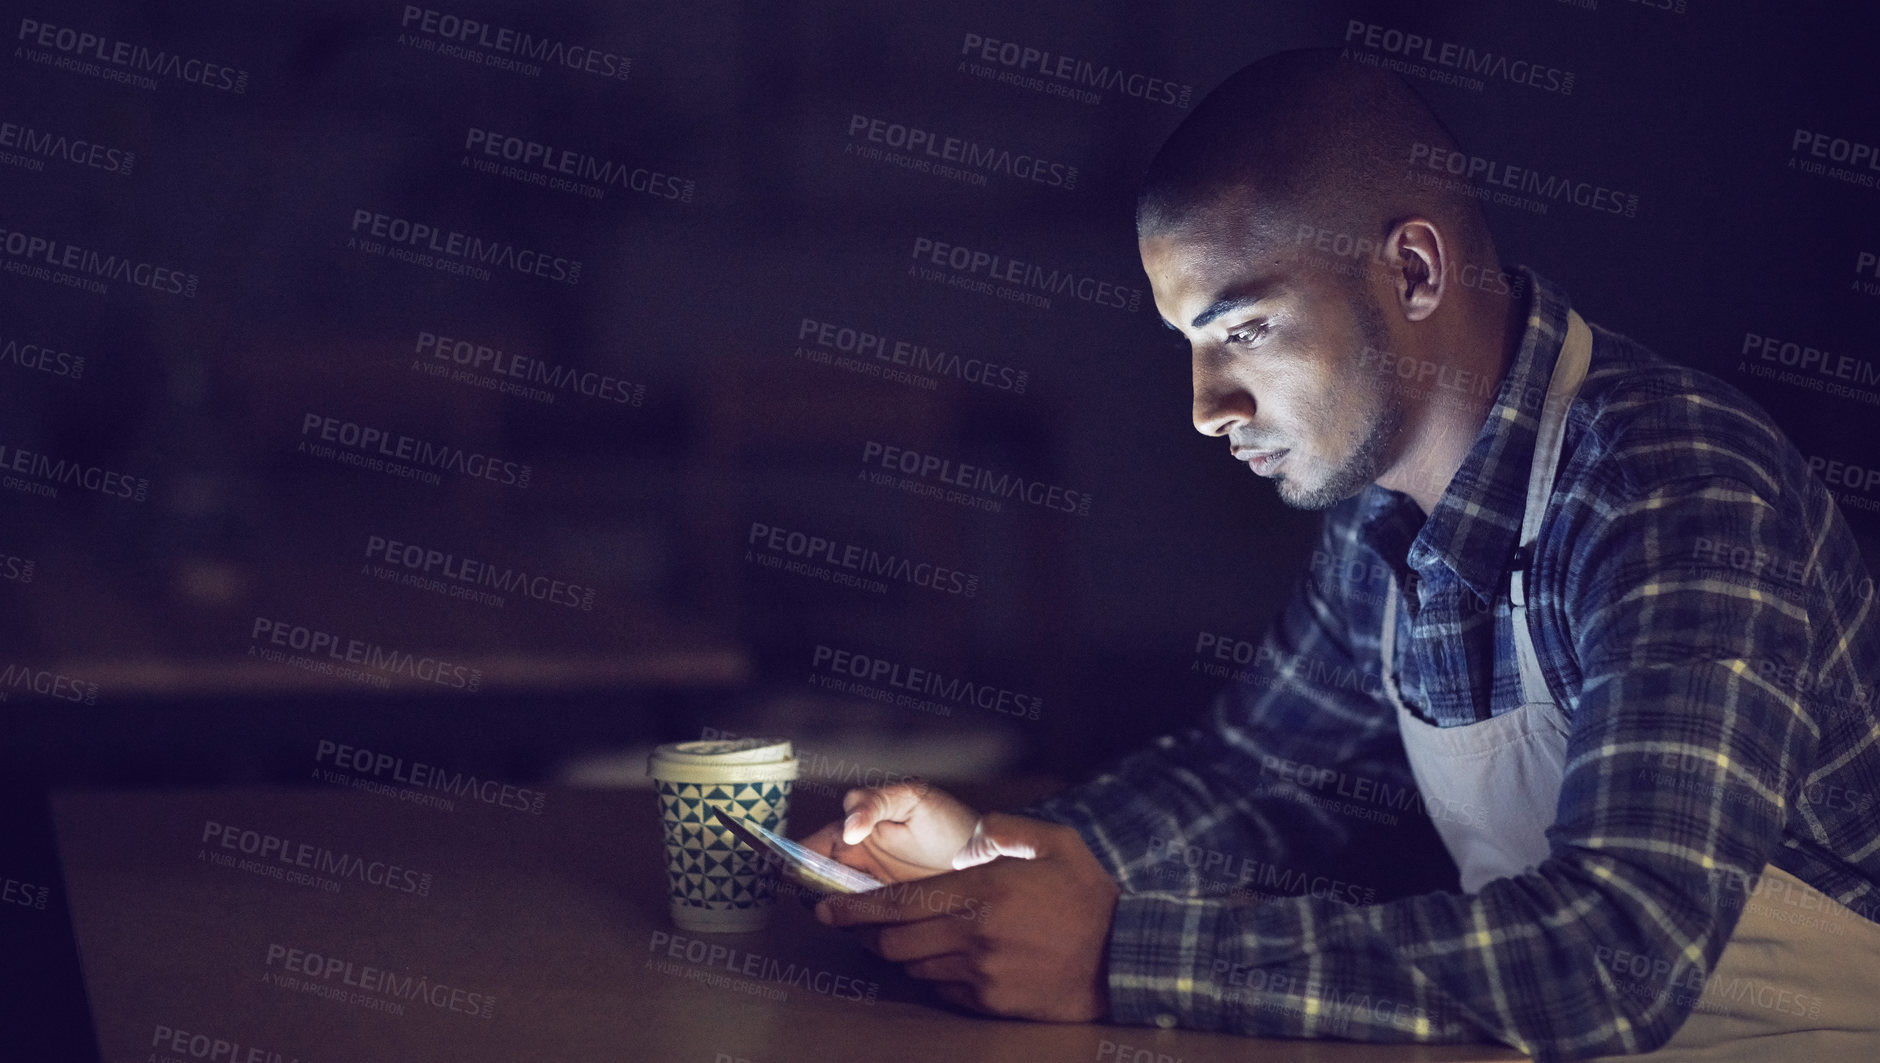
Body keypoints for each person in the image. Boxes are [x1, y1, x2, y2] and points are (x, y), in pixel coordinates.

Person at [797, 49, 1880, 1061]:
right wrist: (993, 859)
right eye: (1189, 345)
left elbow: (1613, 954)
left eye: (1244, 329)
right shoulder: (1379, 517)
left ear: (1411, 270)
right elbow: (1263, 777)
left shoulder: (1674, 490)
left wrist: (1113, 953)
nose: (1204, 408)